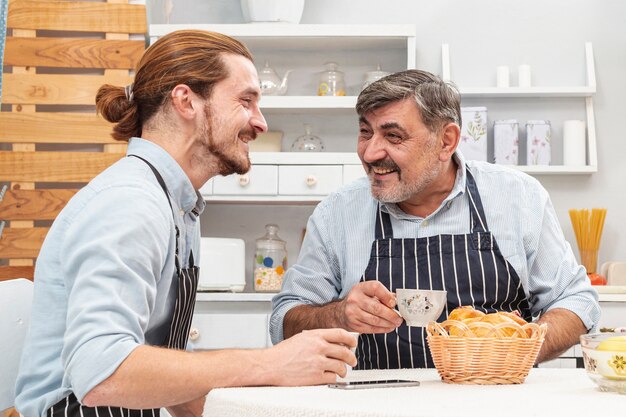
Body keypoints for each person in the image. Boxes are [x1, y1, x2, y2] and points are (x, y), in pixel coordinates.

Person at [15, 30, 356, 417]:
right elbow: (100, 372)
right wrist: (271, 363)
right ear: (185, 101)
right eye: (246, 101)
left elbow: (173, 382)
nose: (260, 123)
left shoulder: (177, 205)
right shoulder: (130, 202)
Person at [270, 69, 600, 370]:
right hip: (379, 406)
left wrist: (521, 345)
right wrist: (339, 314)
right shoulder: (337, 213)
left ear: (446, 141)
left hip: (495, 405)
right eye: (365, 133)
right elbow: (284, 321)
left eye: (393, 136)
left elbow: (576, 301)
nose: (370, 153)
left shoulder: (518, 197)